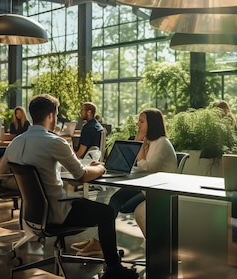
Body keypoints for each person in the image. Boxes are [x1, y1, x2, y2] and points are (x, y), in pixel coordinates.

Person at [0, 94, 138, 279]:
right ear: (50, 116)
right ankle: (114, 270)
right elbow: (81, 176)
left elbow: (1, 173)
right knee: (107, 213)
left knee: (97, 209)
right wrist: (101, 168)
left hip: (31, 215)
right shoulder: (55, 141)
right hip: (58, 213)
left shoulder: (16, 143)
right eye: (56, 113)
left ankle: (111, 265)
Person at [73, 108, 177, 253]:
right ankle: (99, 241)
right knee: (115, 199)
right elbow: (134, 165)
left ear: (152, 124)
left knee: (118, 202)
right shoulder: (150, 141)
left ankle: (100, 243)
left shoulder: (161, 143)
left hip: (157, 191)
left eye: (141, 121)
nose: (138, 124)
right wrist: (105, 166)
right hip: (145, 186)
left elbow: (148, 168)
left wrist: (139, 145)